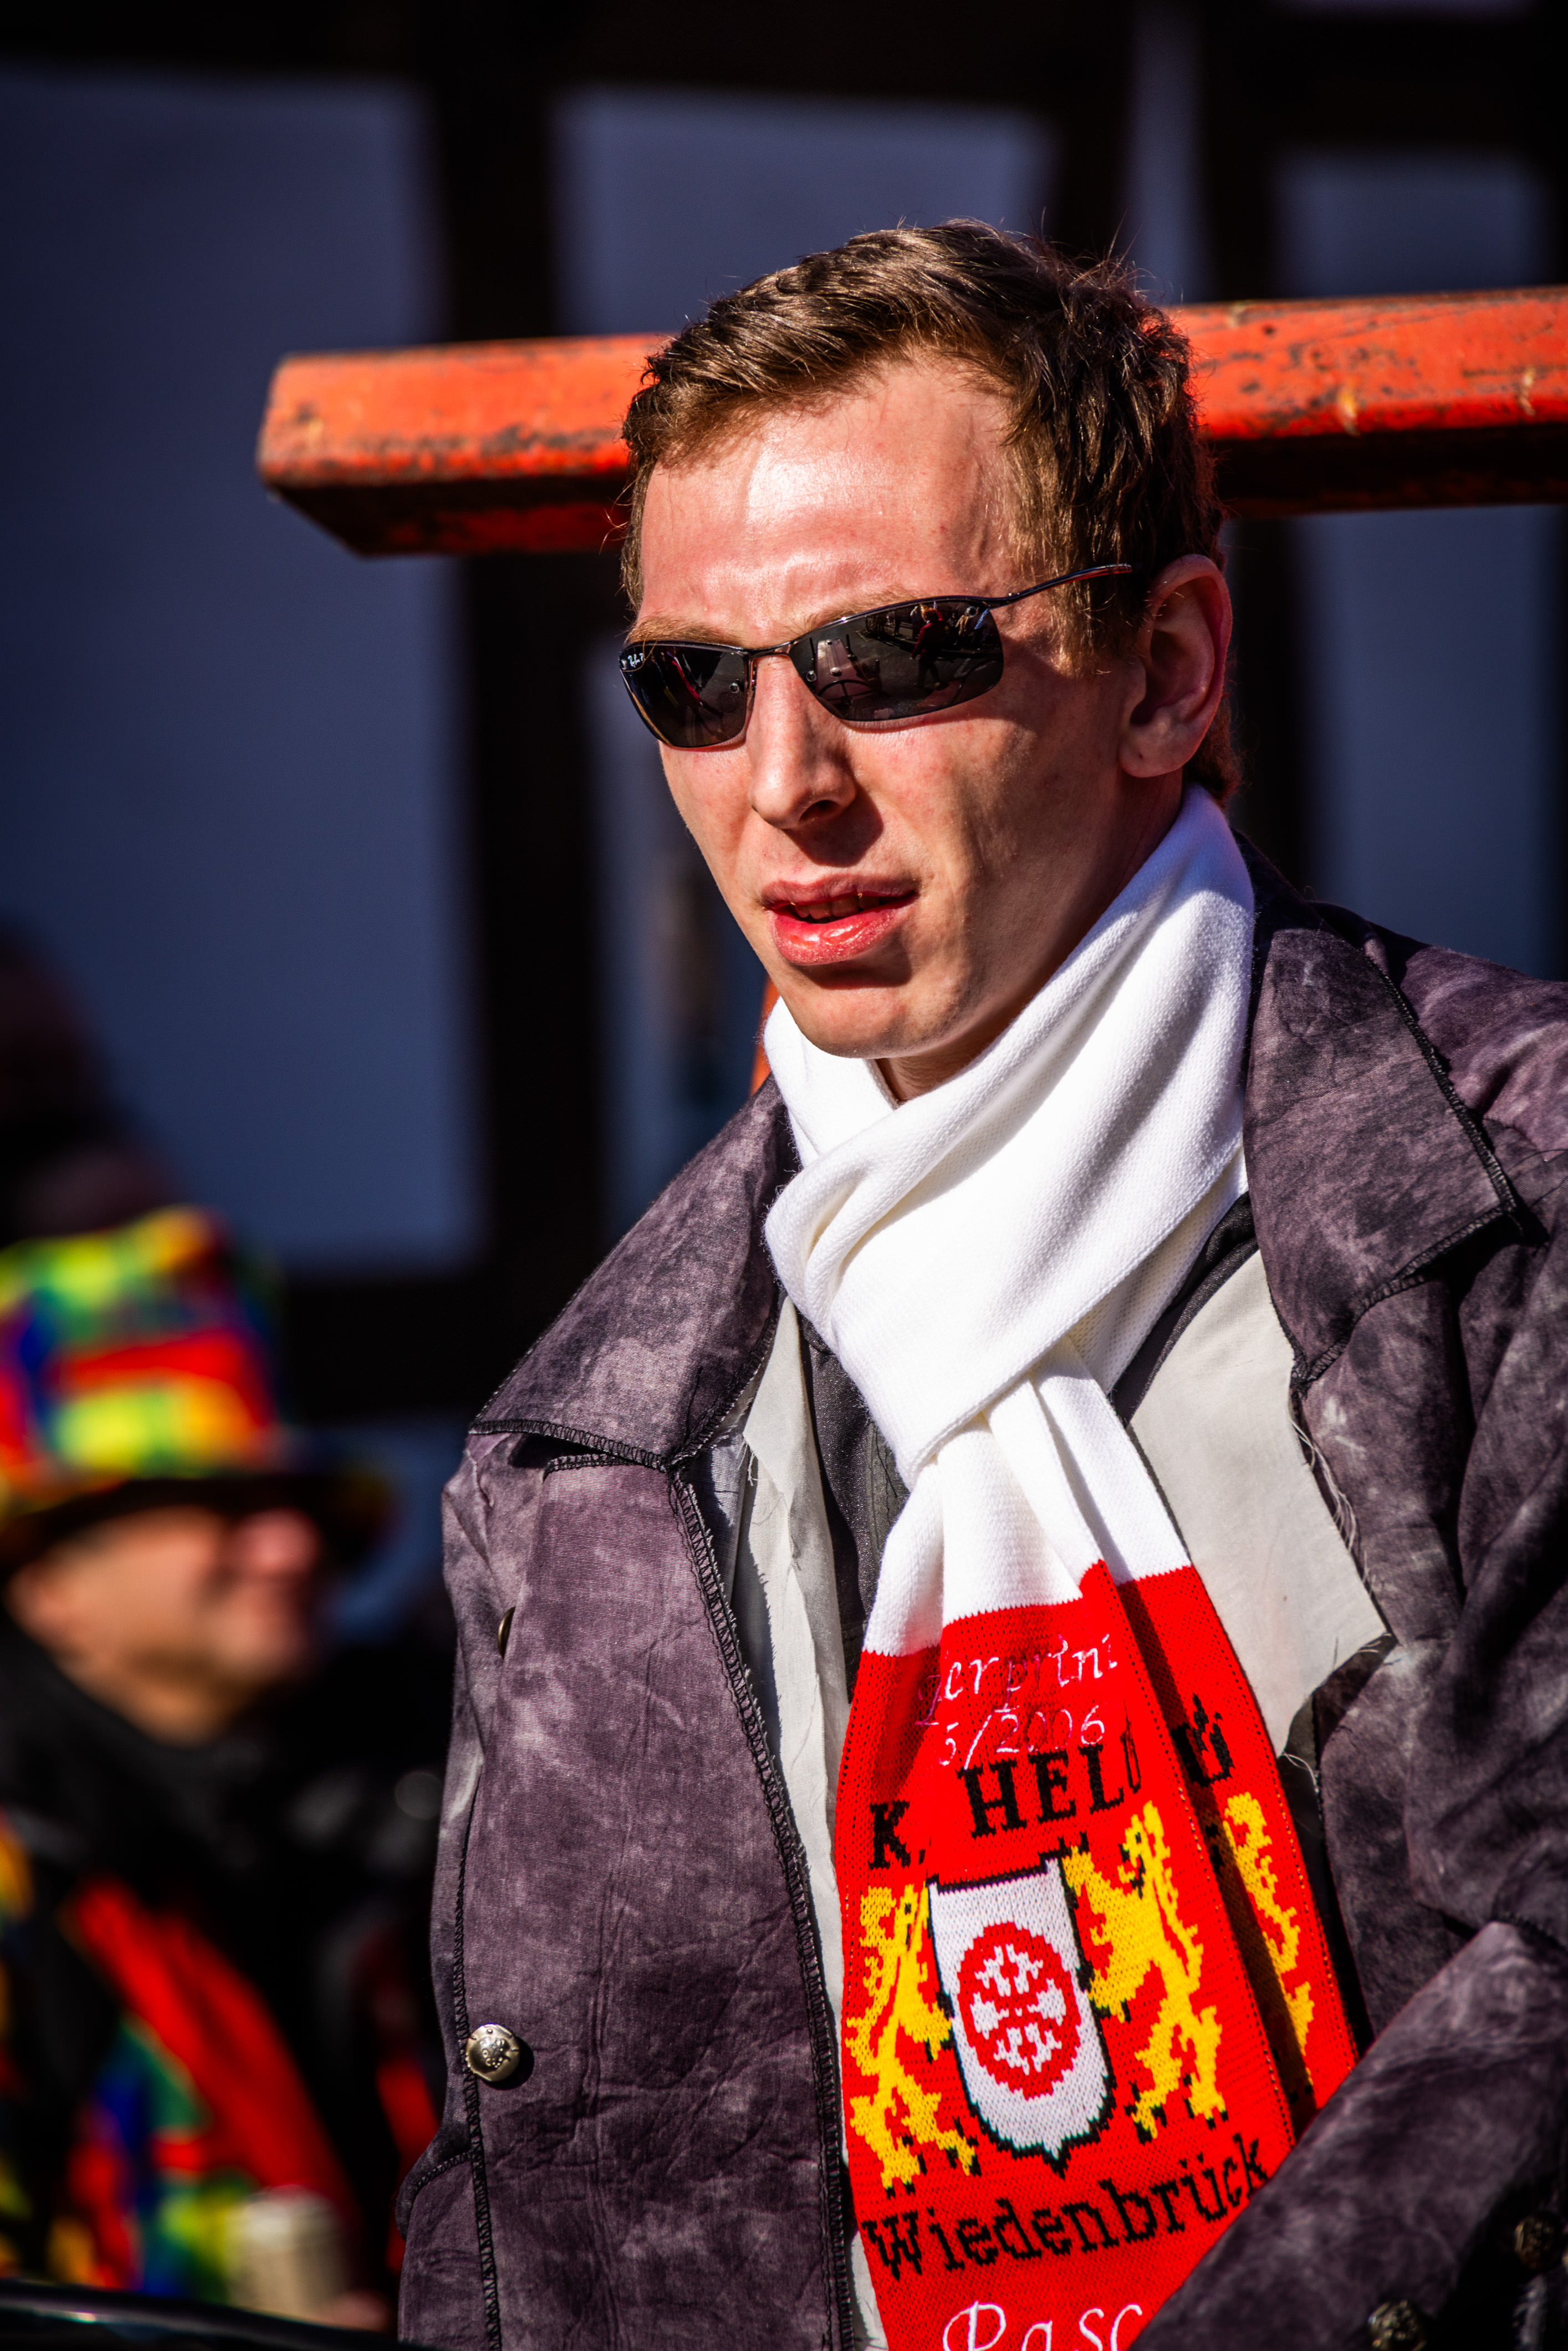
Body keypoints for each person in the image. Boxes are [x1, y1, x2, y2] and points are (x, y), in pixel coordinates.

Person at [396, 224, 1568, 2351]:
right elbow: (535, 2230)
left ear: (1170, 672)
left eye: (897, 653)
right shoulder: (583, 1446)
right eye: (692, 684)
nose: (785, 783)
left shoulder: (1526, 1206)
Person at [0, 1203, 448, 2322]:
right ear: (47, 1583)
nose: (291, 1547)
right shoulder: (21, 1876)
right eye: (214, 1505)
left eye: (296, 1503)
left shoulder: (426, 1798)